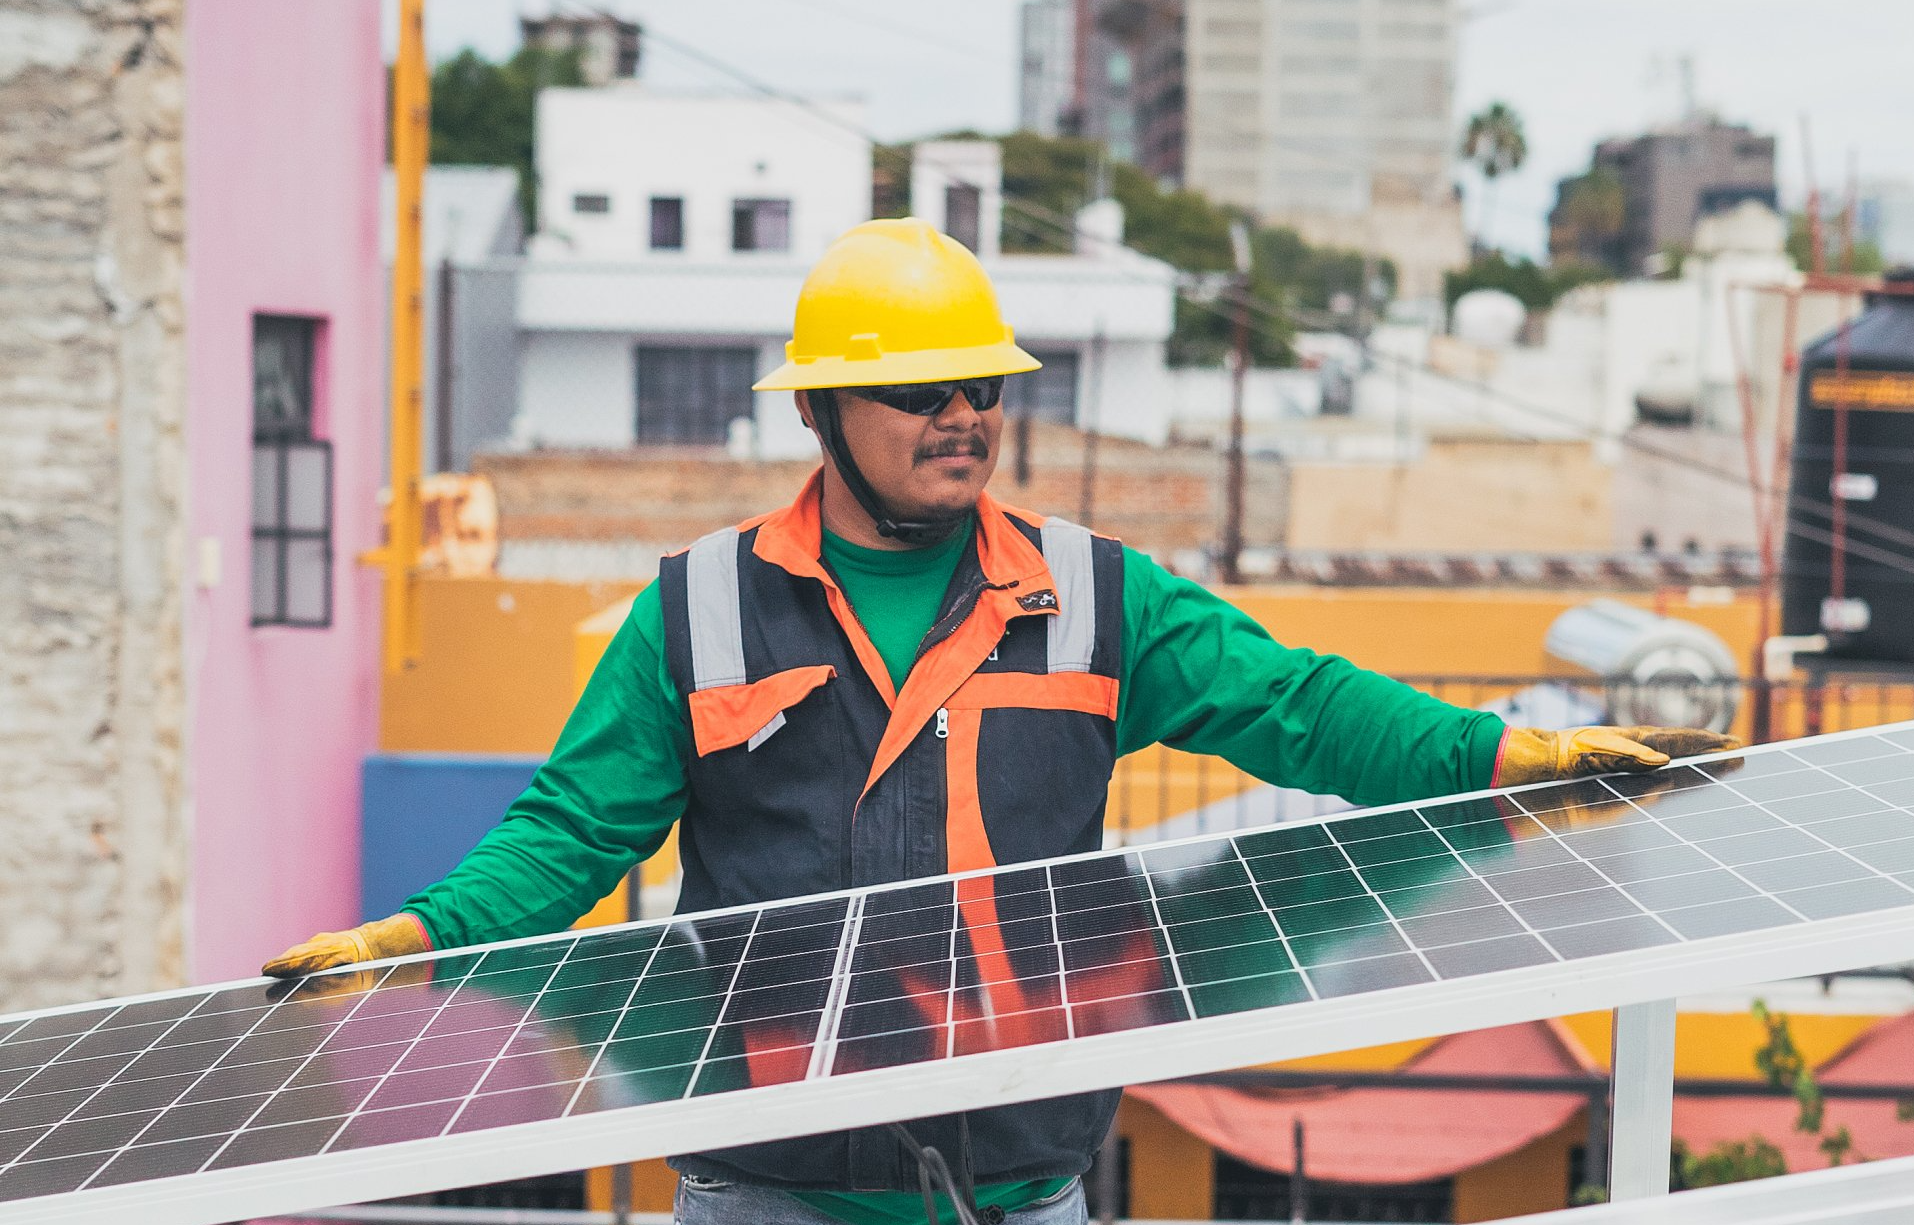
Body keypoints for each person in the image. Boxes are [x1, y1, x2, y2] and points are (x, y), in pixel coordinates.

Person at [265, 218, 1738, 1225]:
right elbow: (568, 834)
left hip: (1019, 1174)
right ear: (822, 413)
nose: (961, 412)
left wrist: (1506, 757)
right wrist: (422, 939)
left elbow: (1298, 708)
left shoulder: (1094, 597)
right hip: (766, 1178)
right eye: (916, 390)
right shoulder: (698, 613)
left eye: (980, 385)